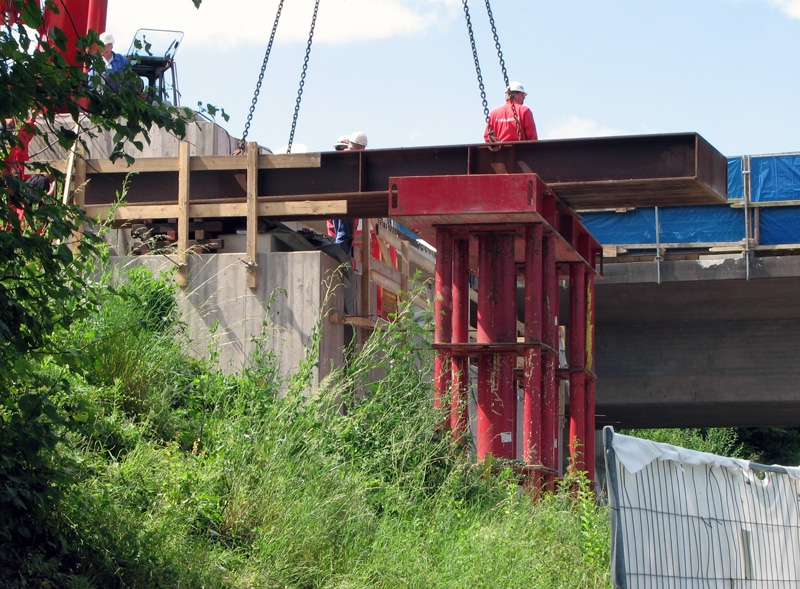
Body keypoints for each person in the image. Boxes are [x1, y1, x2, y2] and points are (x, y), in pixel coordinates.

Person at [328, 131, 368, 256]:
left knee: (342, 234)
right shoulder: (352, 159)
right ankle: (340, 260)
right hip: (347, 202)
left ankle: (339, 259)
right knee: (344, 234)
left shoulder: (340, 161)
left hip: (340, 202)